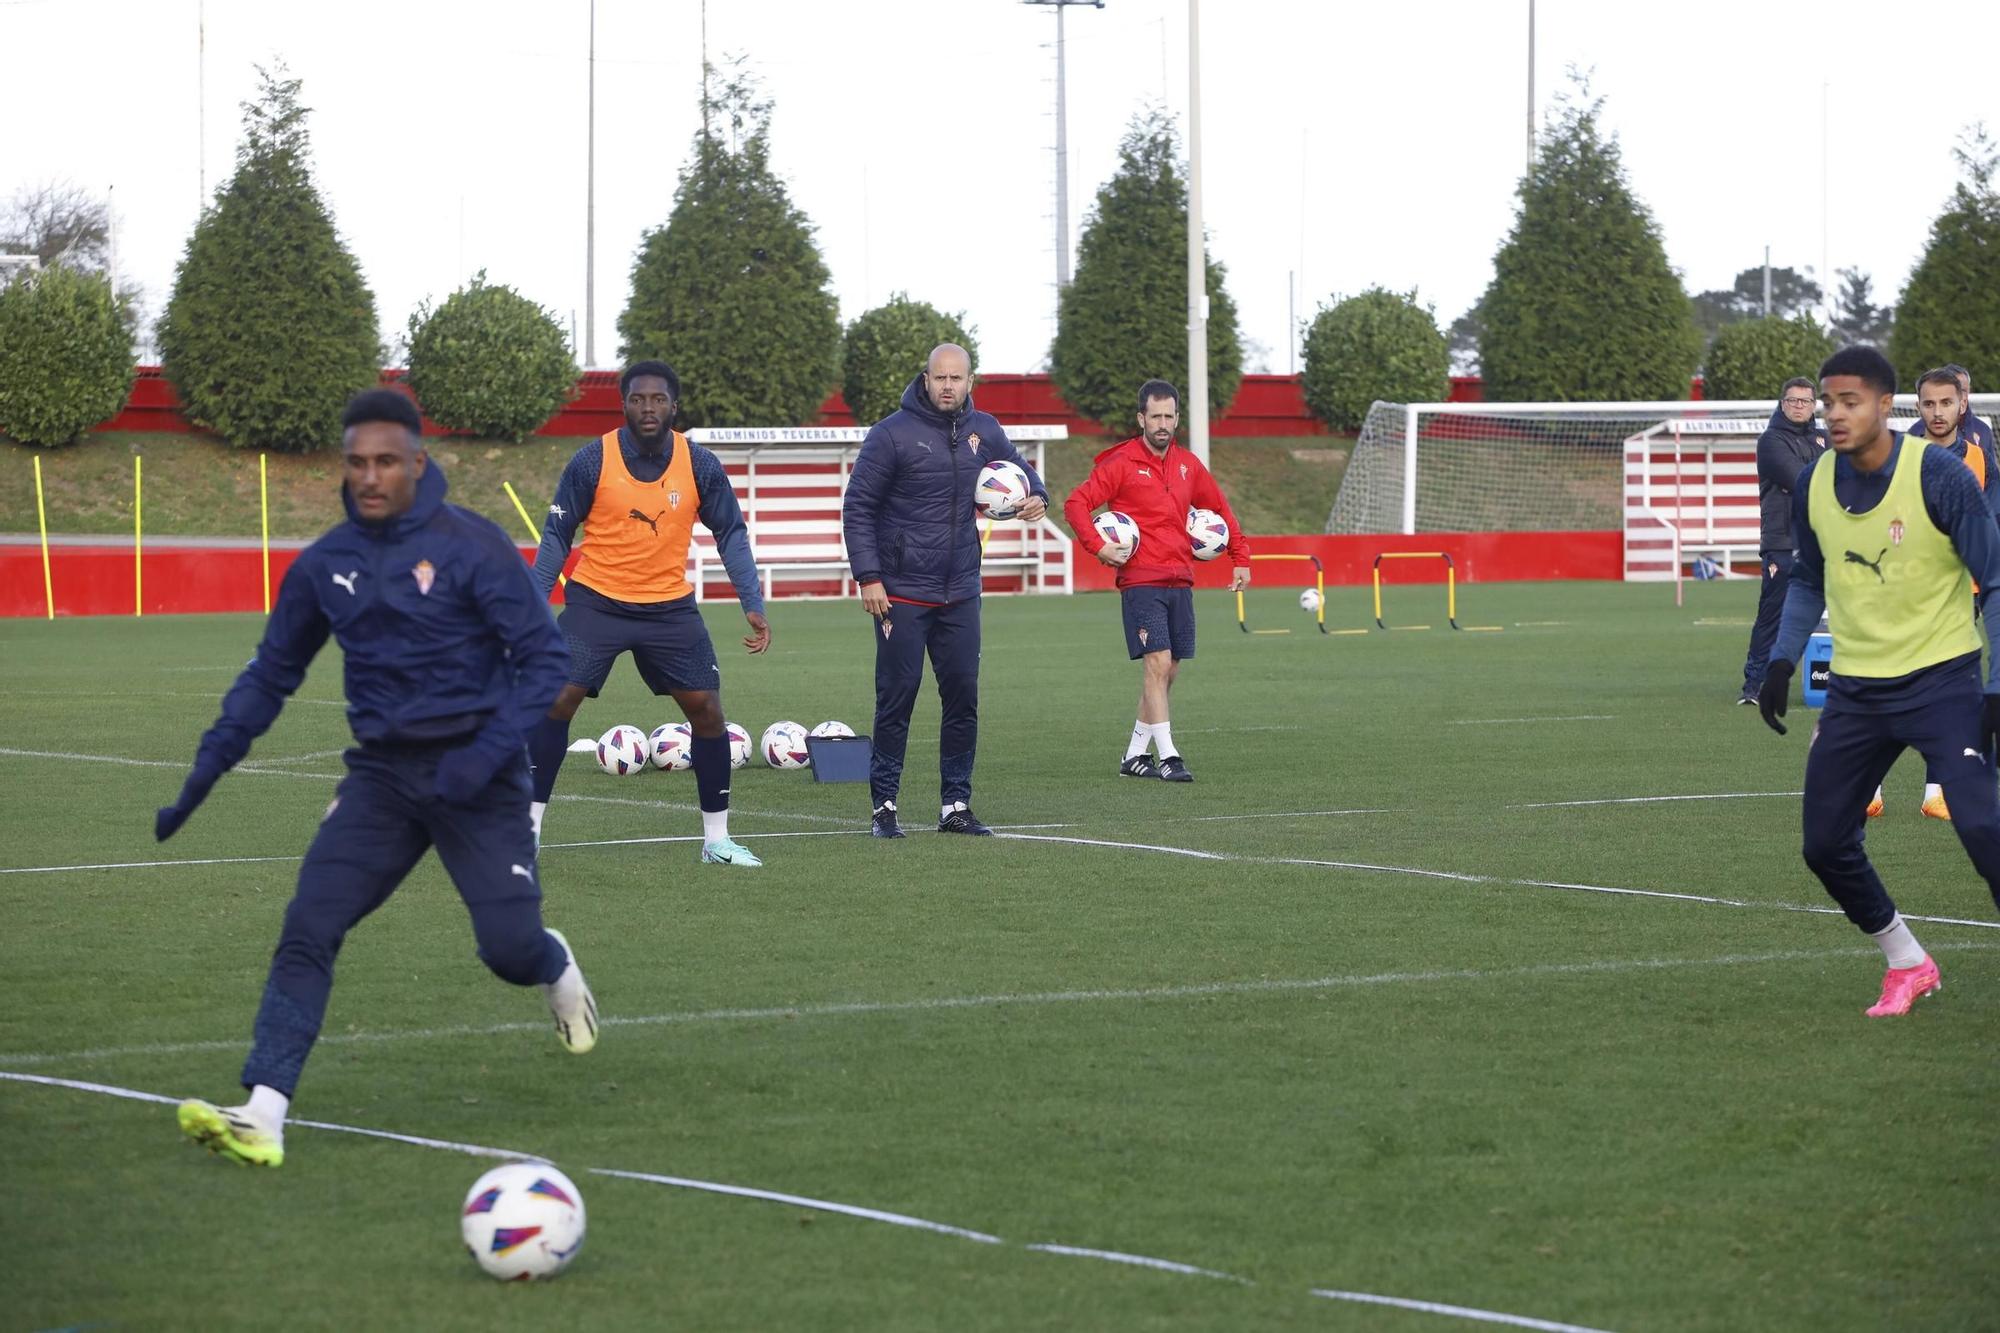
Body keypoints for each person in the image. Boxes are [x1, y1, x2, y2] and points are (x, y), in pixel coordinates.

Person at [158, 389, 595, 1168]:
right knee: (310, 922)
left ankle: (553, 964)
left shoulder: (474, 546)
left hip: (483, 776)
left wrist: (481, 751)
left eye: (386, 461)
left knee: (507, 948)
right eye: (356, 461)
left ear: (418, 463)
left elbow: (547, 663)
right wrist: (207, 767)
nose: (369, 475)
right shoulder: (327, 562)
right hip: (383, 780)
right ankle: (263, 1110)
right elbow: (272, 672)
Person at [1756, 346, 2000, 1016]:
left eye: (1848, 401)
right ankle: (1907, 959)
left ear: (1885, 406)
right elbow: (1808, 578)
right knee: (1824, 842)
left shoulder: (1942, 477)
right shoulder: (1812, 484)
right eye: (1828, 402)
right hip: (1857, 692)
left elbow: (1998, 577)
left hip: (1943, 682)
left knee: (1985, 829)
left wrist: (1997, 683)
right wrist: (1780, 659)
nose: (1834, 414)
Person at [524, 360, 770, 867]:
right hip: (597, 601)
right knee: (554, 700)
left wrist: (753, 603)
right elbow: (555, 537)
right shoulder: (592, 461)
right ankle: (524, 834)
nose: (648, 407)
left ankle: (716, 842)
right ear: (625, 404)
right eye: (639, 399)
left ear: (674, 407)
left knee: (707, 713)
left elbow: (731, 534)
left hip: (668, 609)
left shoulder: (699, 464)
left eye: (659, 399)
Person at [840, 342, 1050, 837]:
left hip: (960, 591)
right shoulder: (891, 434)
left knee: (962, 696)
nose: (948, 386)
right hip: (902, 593)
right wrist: (869, 577)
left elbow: (1022, 471)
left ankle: (955, 805)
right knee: (897, 697)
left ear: (970, 382)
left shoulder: (986, 430)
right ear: (927, 379)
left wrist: (1037, 495)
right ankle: (884, 807)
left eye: (957, 379)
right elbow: (859, 508)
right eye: (940, 378)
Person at [1063, 378, 1251, 780]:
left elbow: (1220, 510)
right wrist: (1097, 546)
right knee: (1157, 662)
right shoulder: (1120, 463)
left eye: (1169, 416)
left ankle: (1134, 756)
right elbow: (1076, 503)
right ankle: (1168, 757)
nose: (1162, 423)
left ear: (1177, 419)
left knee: (1170, 670)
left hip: (1180, 578)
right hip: (1141, 580)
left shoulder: (1188, 466)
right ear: (1141, 418)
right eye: (1155, 416)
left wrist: (1240, 557)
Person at [1900, 367, 1998, 820]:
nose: (1937, 412)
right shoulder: (1898, 456)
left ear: (1962, 404)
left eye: (1946, 403)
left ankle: (1936, 791)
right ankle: (1864, 785)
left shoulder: (1979, 457)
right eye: (1928, 404)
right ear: (1917, 407)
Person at [1739, 377, 1825, 707]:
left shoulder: (1824, 438)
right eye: (1793, 401)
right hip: (1784, 541)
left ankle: (1849, 683)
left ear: (1814, 405)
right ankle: (1755, 685)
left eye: (1805, 401)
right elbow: (1801, 480)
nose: (1799, 406)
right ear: (1782, 403)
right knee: (1774, 614)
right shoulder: (1771, 441)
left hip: (1822, 538)